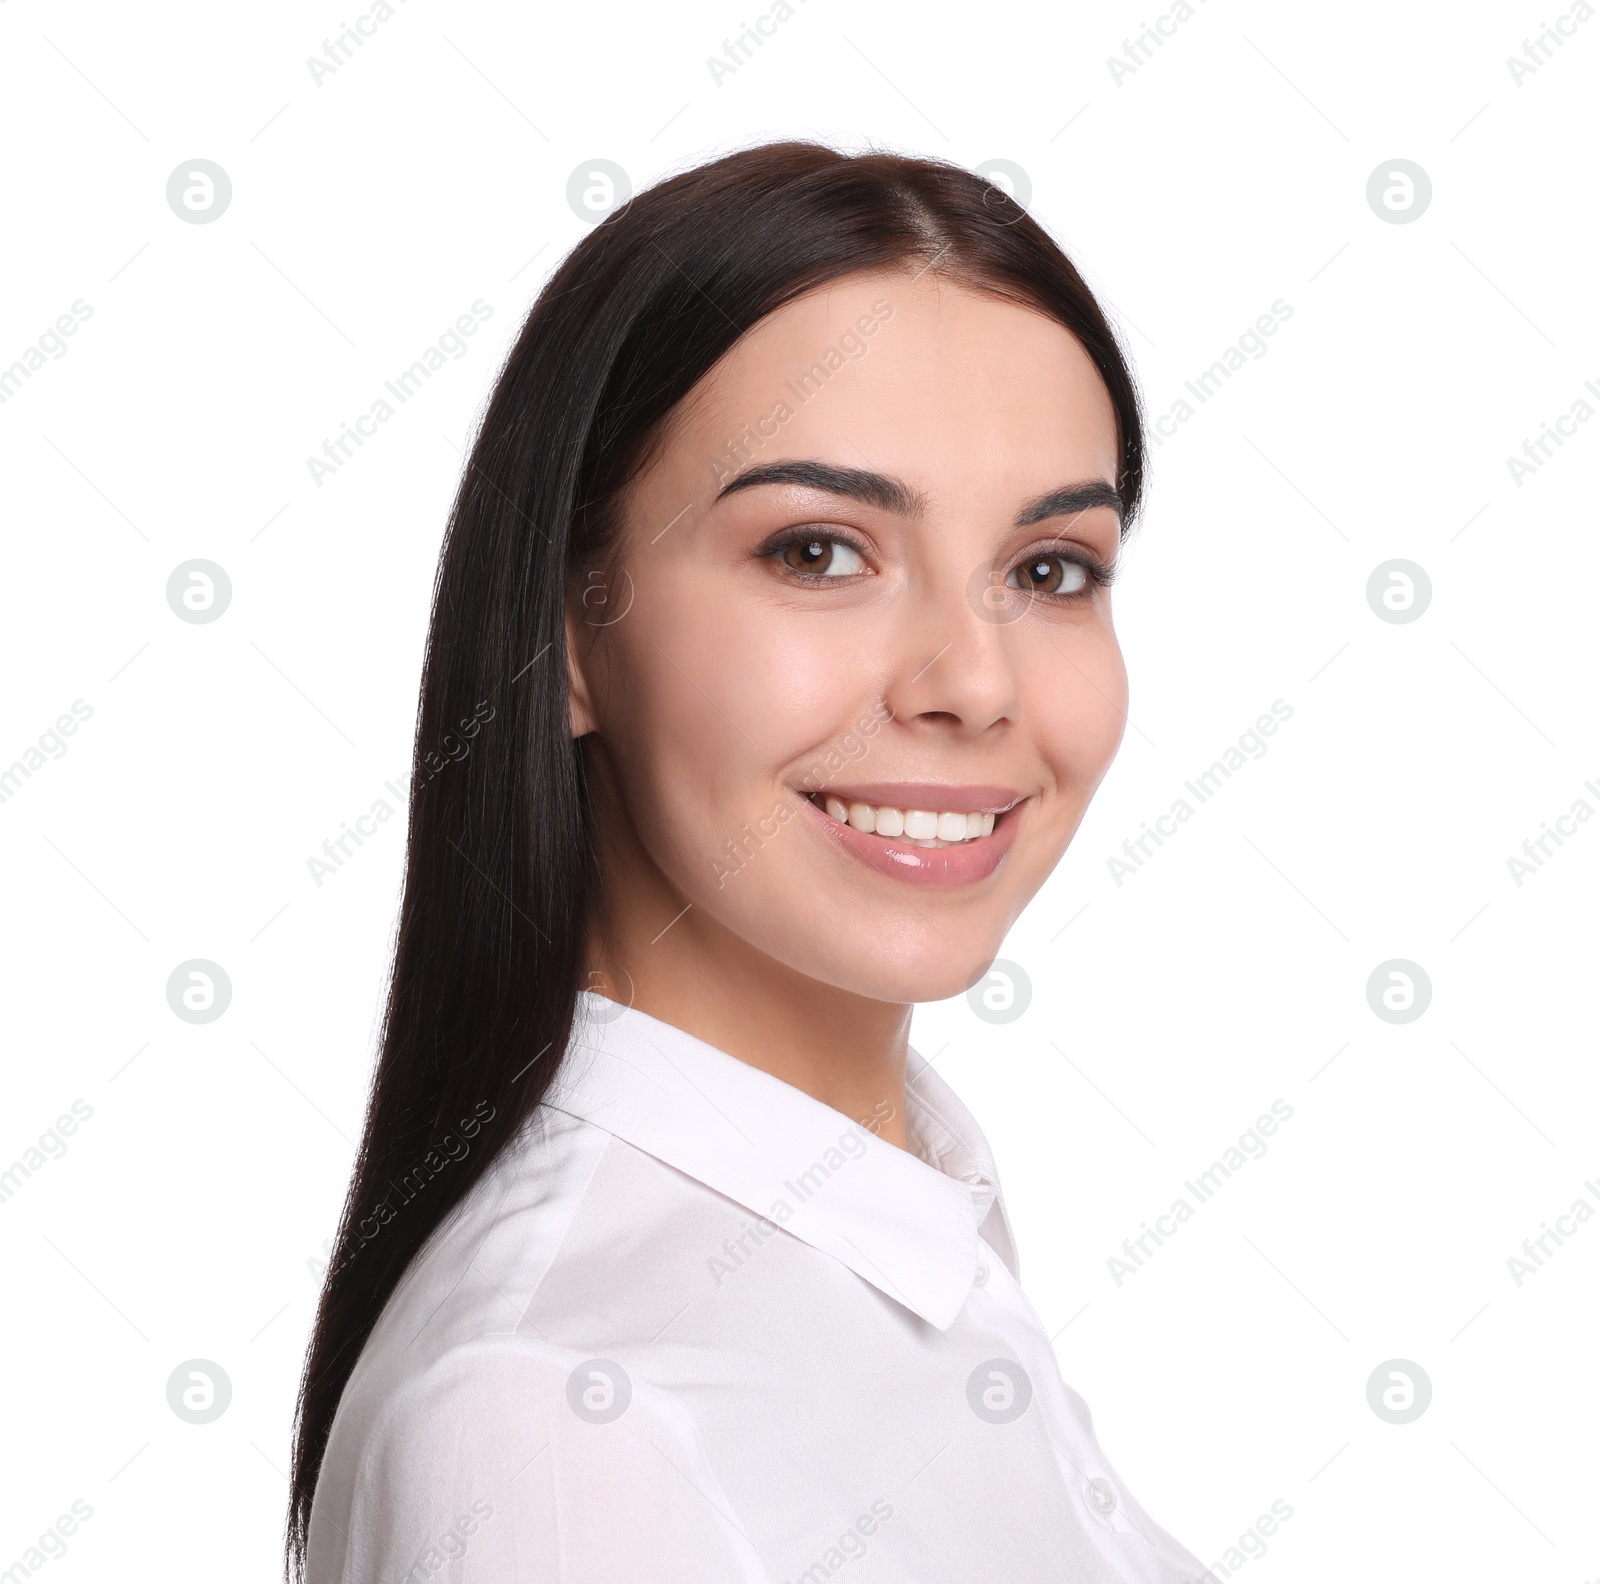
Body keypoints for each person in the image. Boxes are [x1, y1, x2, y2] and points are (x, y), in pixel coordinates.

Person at [291, 141, 1207, 1584]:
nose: (974, 682)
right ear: (572, 636)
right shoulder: (562, 1418)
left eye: (1049, 570)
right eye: (820, 552)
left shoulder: (913, 1207)